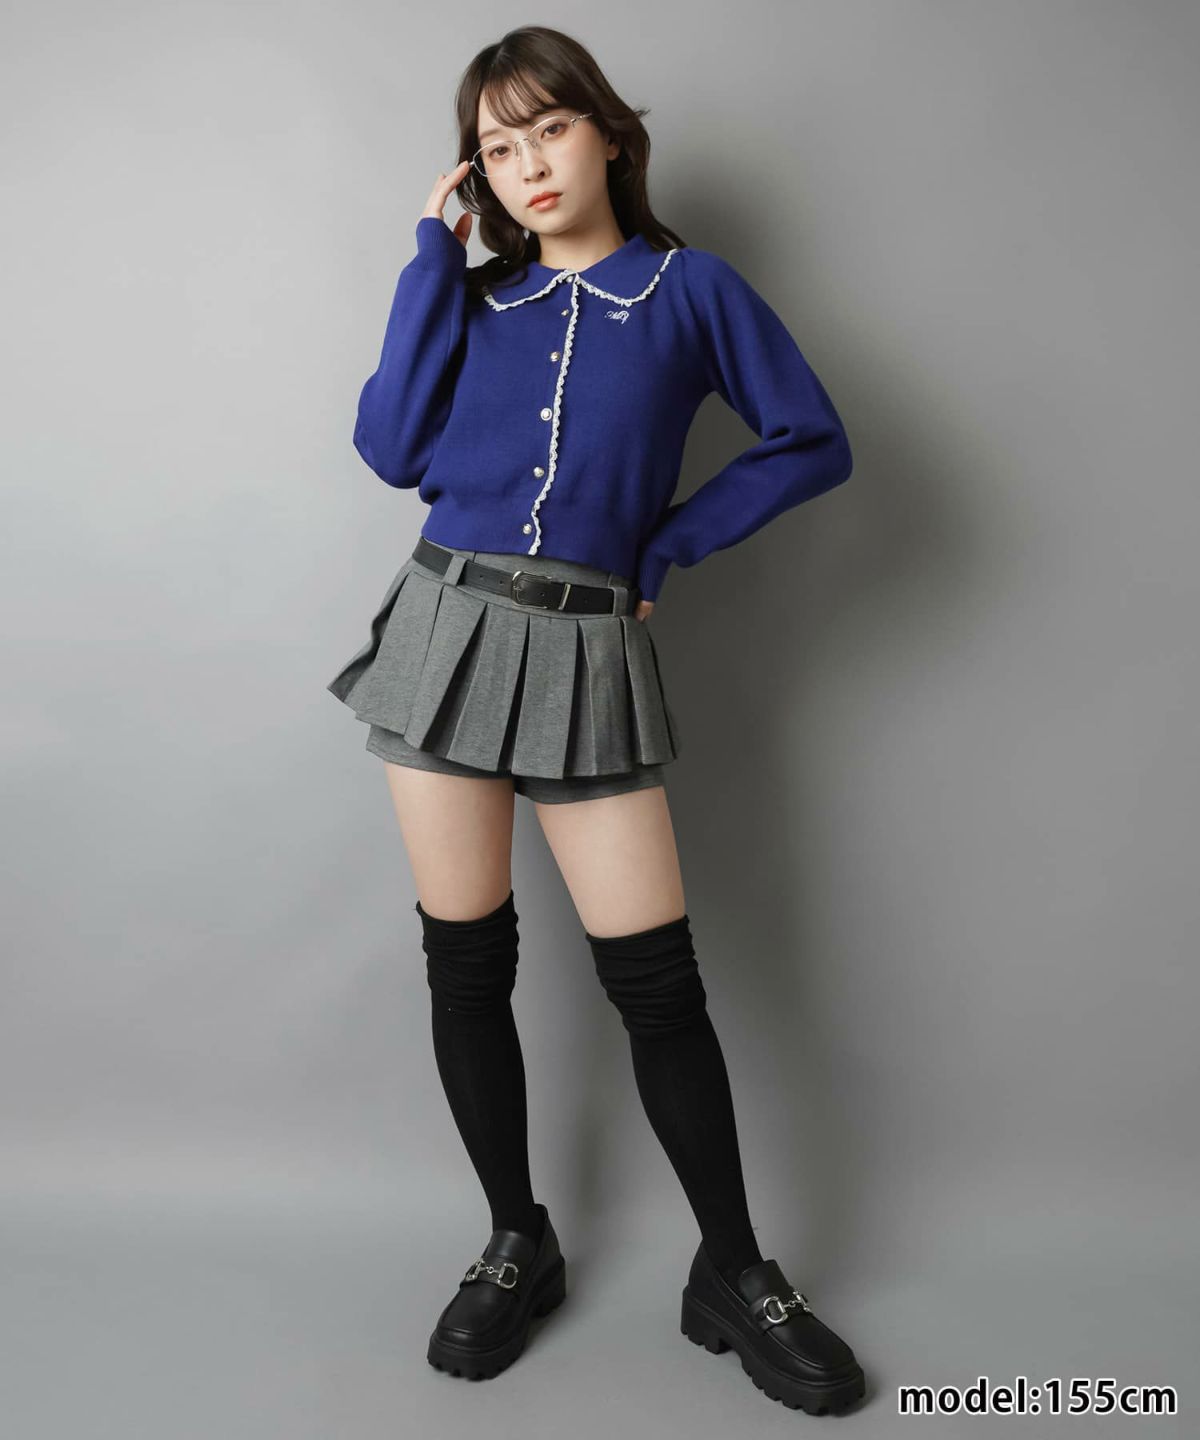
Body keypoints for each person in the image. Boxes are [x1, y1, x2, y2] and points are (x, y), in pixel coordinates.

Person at [327, 24, 866, 1414]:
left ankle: (734, 1270)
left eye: (549, 130)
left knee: (657, 985)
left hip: (586, 644)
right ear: (476, 177)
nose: (528, 165)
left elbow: (812, 438)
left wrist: (668, 544)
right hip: (444, 631)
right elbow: (389, 448)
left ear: (610, 134)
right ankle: (517, 1239)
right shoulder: (470, 297)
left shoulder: (692, 290)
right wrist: (430, 257)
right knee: (466, 965)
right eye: (496, 149)